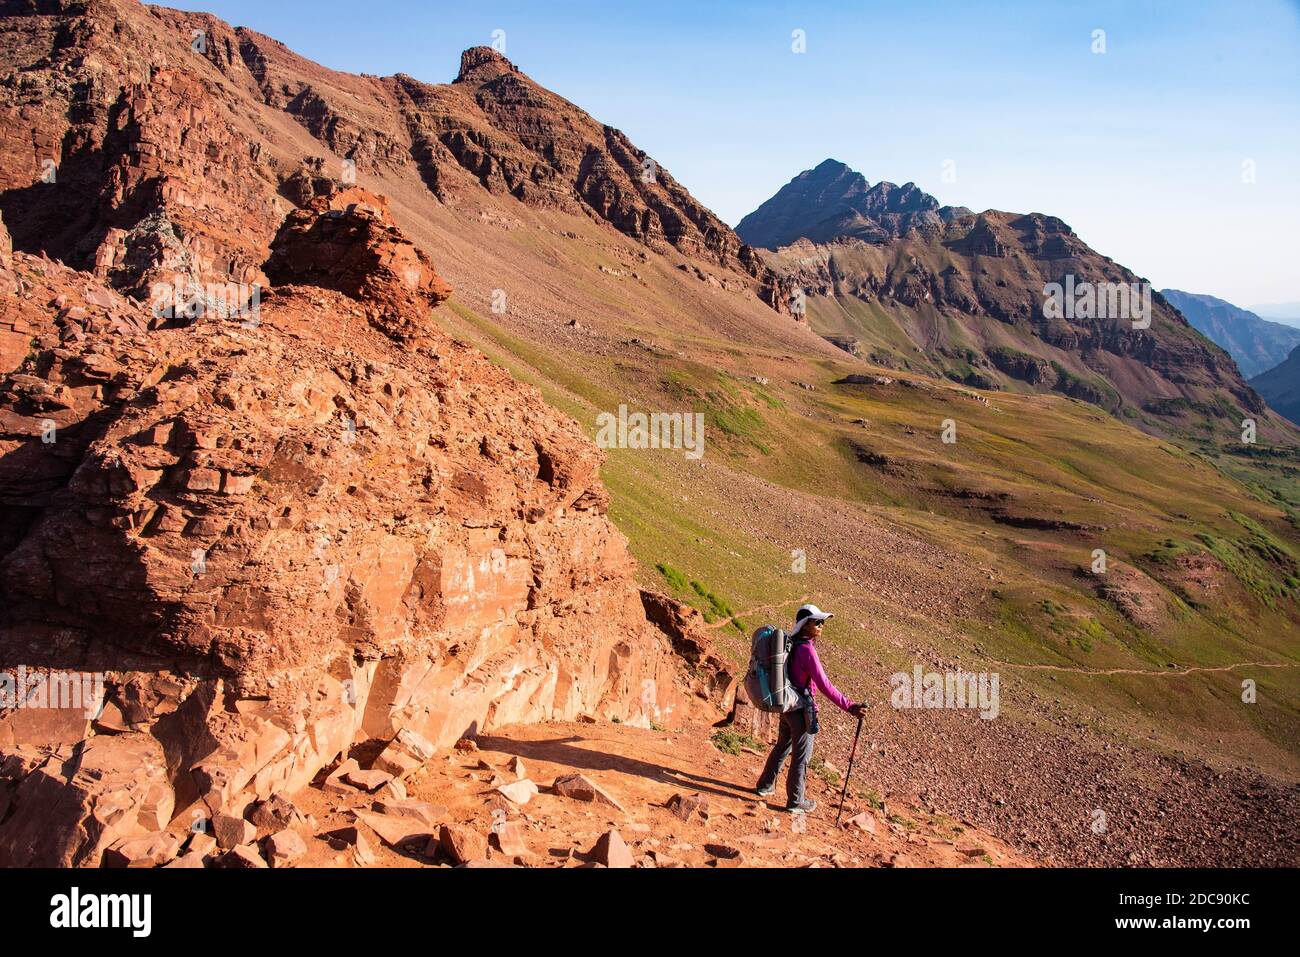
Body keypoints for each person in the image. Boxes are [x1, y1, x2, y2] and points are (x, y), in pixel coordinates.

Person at [755, 604, 864, 812]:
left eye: (822, 621)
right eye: (817, 621)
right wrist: (850, 706)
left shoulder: (793, 644)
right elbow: (824, 685)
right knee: (801, 757)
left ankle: (765, 785)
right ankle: (796, 801)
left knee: (782, 747)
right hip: (802, 710)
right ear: (805, 625)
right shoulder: (807, 650)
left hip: (787, 705)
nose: (821, 625)